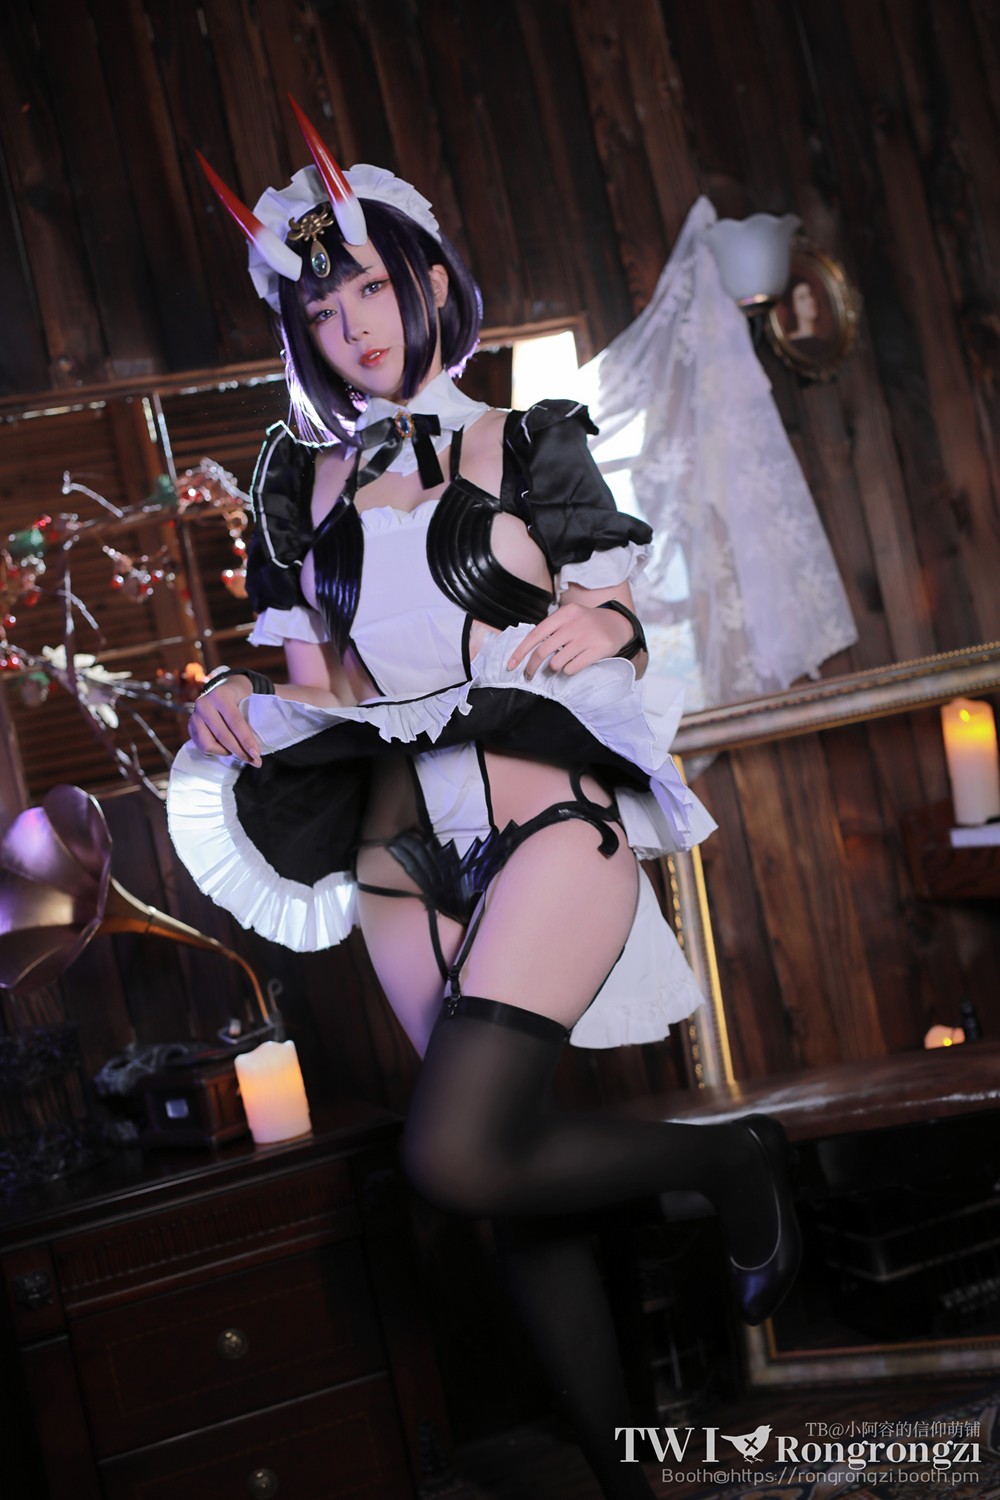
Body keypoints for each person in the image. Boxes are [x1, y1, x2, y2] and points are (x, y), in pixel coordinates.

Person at [168, 102, 800, 1500]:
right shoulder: (296, 483)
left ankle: (732, 1157)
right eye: (320, 307)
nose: (351, 324)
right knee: (509, 1182)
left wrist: (606, 626)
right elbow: (327, 691)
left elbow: (621, 626)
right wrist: (231, 690)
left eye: (368, 287)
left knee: (454, 1156)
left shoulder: (530, 441)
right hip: (403, 861)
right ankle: (627, 1482)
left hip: (548, 824)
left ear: (425, 280)